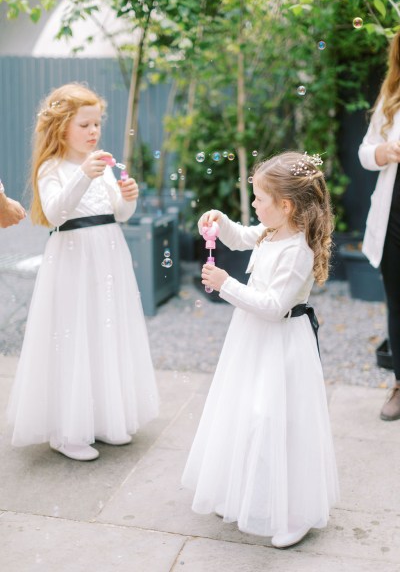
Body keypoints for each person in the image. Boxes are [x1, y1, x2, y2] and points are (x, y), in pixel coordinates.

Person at [182, 151, 339, 549]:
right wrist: (219, 219)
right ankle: (246, 493)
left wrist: (225, 284)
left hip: (282, 344)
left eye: (259, 199)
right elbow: (241, 236)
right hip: (253, 343)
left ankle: (295, 512)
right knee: (247, 412)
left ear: (285, 205)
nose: (253, 205)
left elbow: (272, 307)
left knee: (275, 418)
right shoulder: (272, 232)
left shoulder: (297, 251)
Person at [7, 82, 159, 461]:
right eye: (85, 125)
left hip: (108, 257)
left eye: (97, 125)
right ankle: (66, 430)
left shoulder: (103, 168)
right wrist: (84, 177)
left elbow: (118, 216)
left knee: (104, 329)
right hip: (73, 258)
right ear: (62, 128)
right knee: (73, 333)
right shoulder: (52, 168)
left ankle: (104, 419)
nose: (93, 132)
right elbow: (56, 213)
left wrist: (128, 200)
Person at [358, 30, 400, 421]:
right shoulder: (391, 97)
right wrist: (382, 151)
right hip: (394, 215)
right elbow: (364, 152)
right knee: (398, 300)